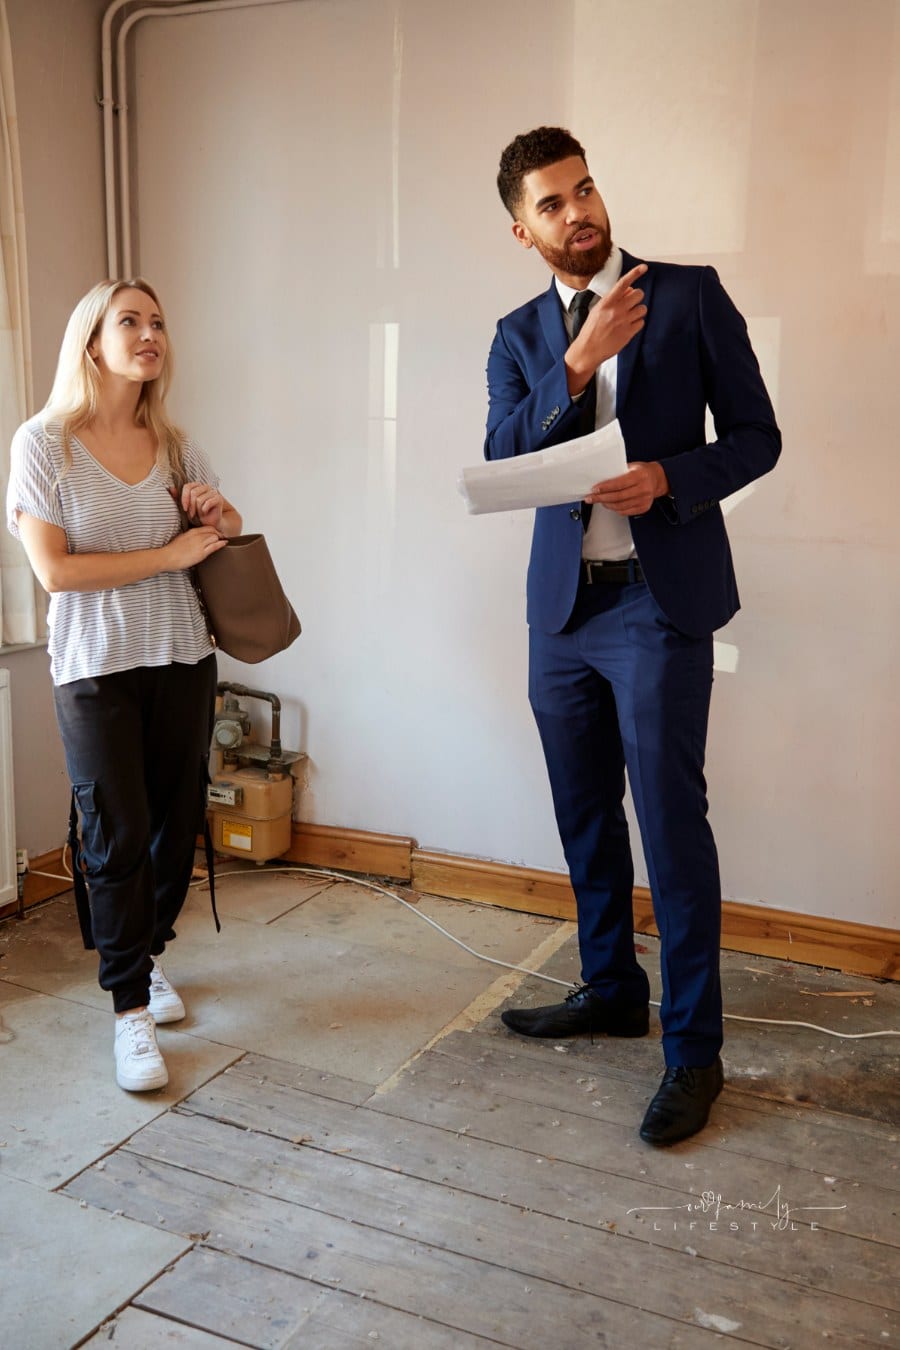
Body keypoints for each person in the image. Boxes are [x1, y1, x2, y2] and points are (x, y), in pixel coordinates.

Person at [485, 127, 780, 1145]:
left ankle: (694, 1051)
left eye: (585, 190)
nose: (579, 213)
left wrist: (672, 479)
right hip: (562, 612)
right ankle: (611, 988)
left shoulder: (687, 294)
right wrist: (577, 361)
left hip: (658, 605)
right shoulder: (520, 335)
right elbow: (502, 455)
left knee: (669, 824)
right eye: (553, 205)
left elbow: (757, 435)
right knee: (583, 815)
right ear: (523, 230)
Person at [6, 278, 242, 1093]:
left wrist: (218, 515)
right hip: (94, 668)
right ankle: (128, 1012)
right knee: (115, 837)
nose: (151, 335)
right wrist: (169, 556)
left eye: (159, 323)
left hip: (183, 655)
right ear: (91, 341)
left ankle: (148, 958)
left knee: (174, 832)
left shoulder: (176, 444)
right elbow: (56, 572)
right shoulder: (42, 443)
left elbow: (224, 536)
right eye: (130, 321)